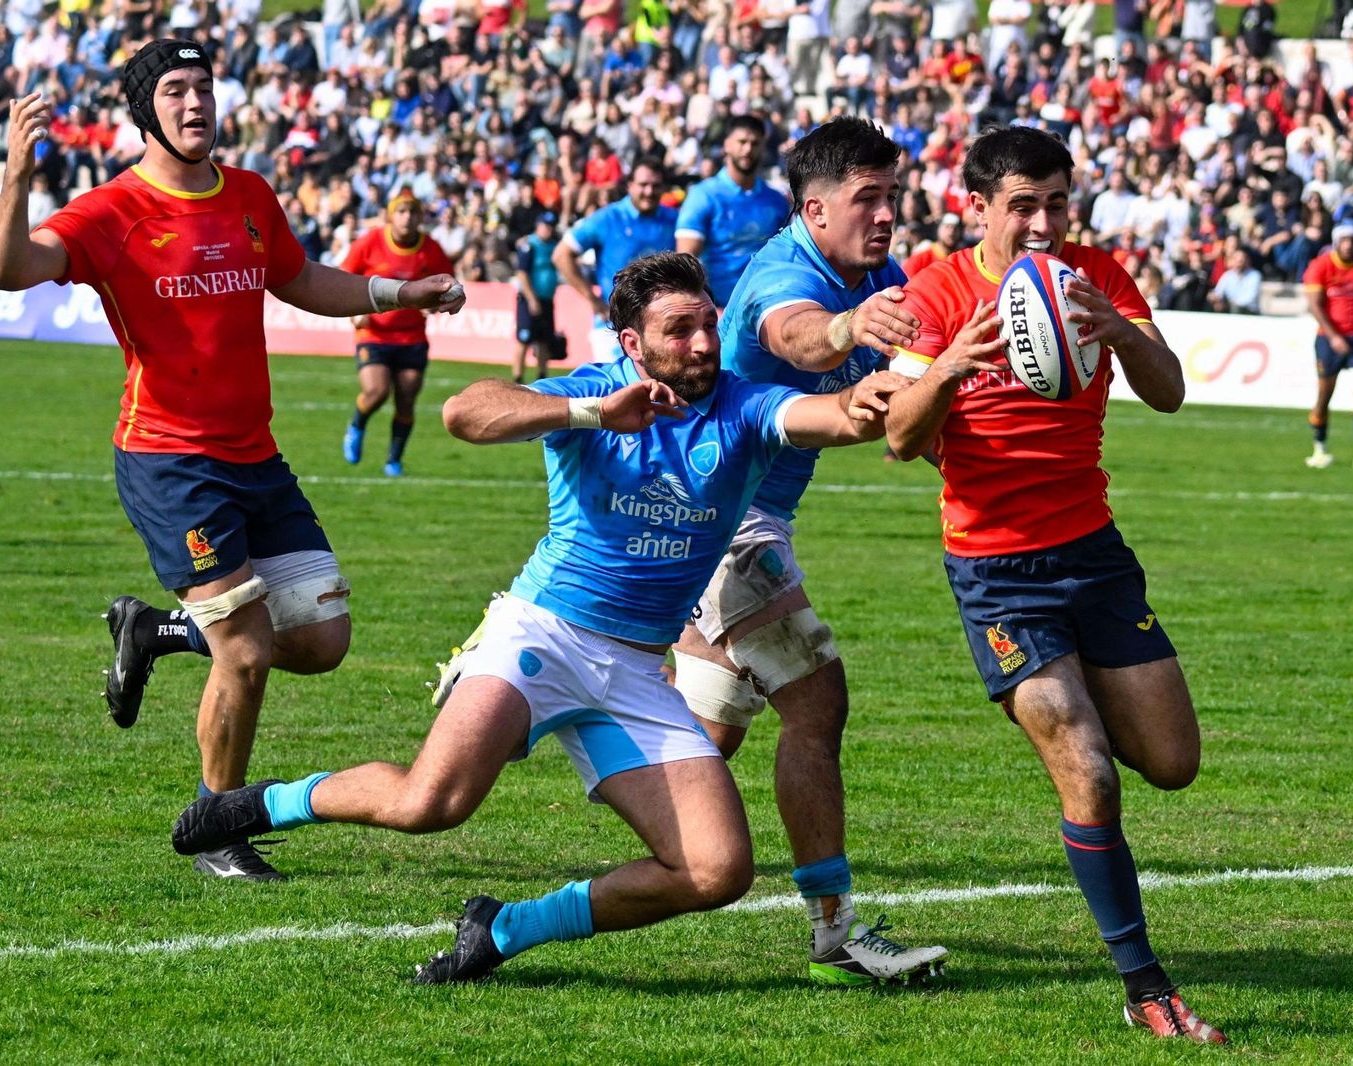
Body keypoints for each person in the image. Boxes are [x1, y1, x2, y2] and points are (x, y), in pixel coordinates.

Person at [170, 252, 918, 983]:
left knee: (717, 871)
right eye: (678, 330)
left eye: (707, 325)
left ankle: (506, 928)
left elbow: (838, 416)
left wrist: (905, 383)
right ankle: (254, 804)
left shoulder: (744, 407)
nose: (700, 345)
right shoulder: (597, 391)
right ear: (633, 343)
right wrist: (591, 414)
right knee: (431, 802)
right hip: (541, 636)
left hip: (635, 670)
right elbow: (464, 411)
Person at [0, 39, 465, 881]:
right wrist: (18, 175)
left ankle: (155, 630)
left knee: (321, 638)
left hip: (256, 456)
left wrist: (397, 293)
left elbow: (300, 279)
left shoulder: (247, 194)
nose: (195, 103)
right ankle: (219, 827)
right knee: (243, 649)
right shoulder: (111, 211)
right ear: (144, 111)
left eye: (204, 88)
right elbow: (11, 268)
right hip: (171, 462)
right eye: (174, 91)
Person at [882, 126, 1224, 1044]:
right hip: (997, 573)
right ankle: (1145, 983)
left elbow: (1169, 391)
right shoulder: (936, 292)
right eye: (1023, 205)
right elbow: (900, 440)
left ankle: (1068, 699)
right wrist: (951, 364)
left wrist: (1119, 330)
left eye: (1058, 203)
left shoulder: (1099, 275)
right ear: (979, 206)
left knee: (1174, 764)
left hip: (1095, 556)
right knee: (1091, 772)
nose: (1043, 222)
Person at [669, 117, 948, 987]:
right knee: (817, 704)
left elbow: (906, 401)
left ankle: (528, 693)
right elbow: (797, 334)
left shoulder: (878, 279)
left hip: (737, 521)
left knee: (706, 735)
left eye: (892, 197)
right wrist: (848, 327)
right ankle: (835, 934)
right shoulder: (788, 274)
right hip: (720, 520)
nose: (886, 214)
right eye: (867, 198)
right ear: (815, 207)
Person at [339, 189, 457, 478]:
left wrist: (438, 303)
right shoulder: (370, 242)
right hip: (375, 334)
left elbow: (448, 283)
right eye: (402, 212)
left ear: (420, 217)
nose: (407, 217)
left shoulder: (430, 248)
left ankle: (394, 460)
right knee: (376, 392)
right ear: (392, 215)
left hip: (412, 337)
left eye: (413, 212)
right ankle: (357, 425)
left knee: (406, 399)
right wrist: (355, 312)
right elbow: (343, 277)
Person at [554, 158, 678, 362]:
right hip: (612, 329)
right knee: (618, 391)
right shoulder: (608, 218)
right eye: (643, 185)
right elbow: (561, 255)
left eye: (656, 186)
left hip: (660, 327)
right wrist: (594, 302)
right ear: (630, 186)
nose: (649, 191)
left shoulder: (674, 219)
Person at [674, 113, 791, 310]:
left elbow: (788, 256)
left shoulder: (776, 200)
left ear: (763, 146)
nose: (748, 149)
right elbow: (685, 261)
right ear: (727, 145)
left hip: (768, 308)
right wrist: (708, 313)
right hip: (719, 310)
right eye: (742, 142)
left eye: (755, 143)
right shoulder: (704, 195)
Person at [1301, 223, 1353, 471]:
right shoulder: (1321, 266)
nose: (1349, 244)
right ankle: (1319, 449)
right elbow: (1315, 306)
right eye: (1344, 240)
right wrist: (1334, 336)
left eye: (1352, 240)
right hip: (1328, 339)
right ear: (1337, 242)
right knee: (1324, 396)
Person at [513, 211, 566, 383]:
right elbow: (522, 274)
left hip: (547, 299)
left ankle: (542, 377)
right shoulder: (529, 245)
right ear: (538, 226)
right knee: (524, 339)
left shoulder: (554, 246)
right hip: (530, 299)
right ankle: (518, 378)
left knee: (544, 340)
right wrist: (532, 298)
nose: (548, 230)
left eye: (551, 226)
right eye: (546, 226)